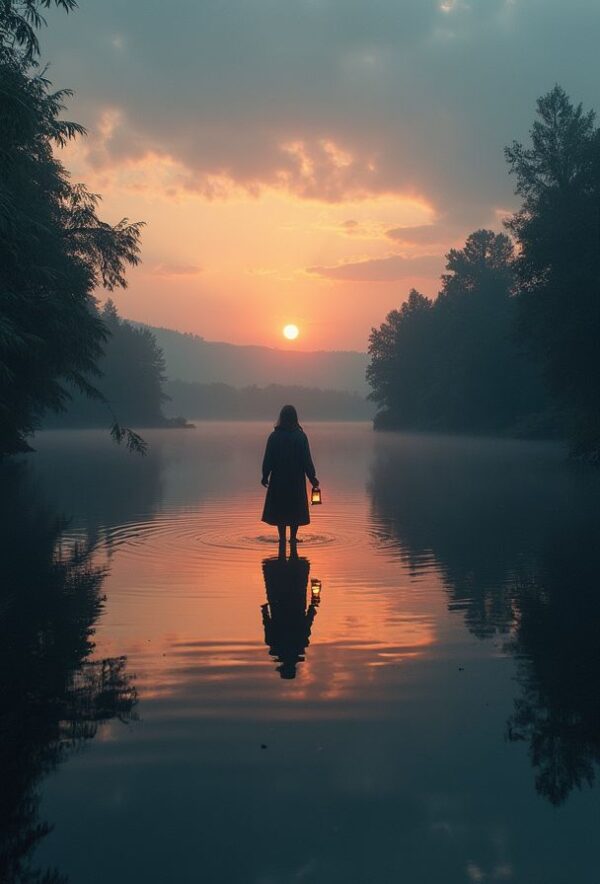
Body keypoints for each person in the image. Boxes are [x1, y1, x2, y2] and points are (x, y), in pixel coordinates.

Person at [261, 405, 319, 548]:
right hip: (296, 481)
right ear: (295, 418)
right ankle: (293, 538)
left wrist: (265, 475)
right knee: (295, 509)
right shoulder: (301, 437)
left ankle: (282, 539)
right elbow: (307, 460)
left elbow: (268, 458)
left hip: (278, 480)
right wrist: (312, 478)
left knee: (280, 509)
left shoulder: (274, 437)